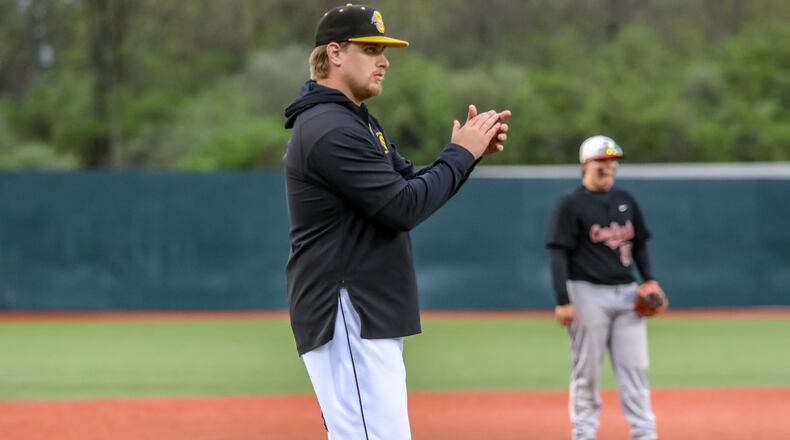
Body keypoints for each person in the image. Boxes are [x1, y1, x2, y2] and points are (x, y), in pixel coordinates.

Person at [283, 4, 510, 439]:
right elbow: (402, 207)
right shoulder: (329, 129)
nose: (384, 60)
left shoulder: (354, 121)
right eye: (370, 49)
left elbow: (413, 186)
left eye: (384, 51)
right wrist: (460, 155)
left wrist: (468, 155)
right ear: (334, 52)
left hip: (361, 307)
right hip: (347, 307)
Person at [545, 135, 666, 440]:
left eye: (613, 161)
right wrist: (563, 299)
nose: (609, 166)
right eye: (602, 161)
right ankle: (584, 434)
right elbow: (558, 253)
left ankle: (645, 433)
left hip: (627, 293)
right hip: (586, 293)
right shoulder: (571, 204)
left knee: (636, 370)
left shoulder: (626, 199)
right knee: (587, 372)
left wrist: (649, 278)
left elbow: (639, 245)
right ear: (585, 164)